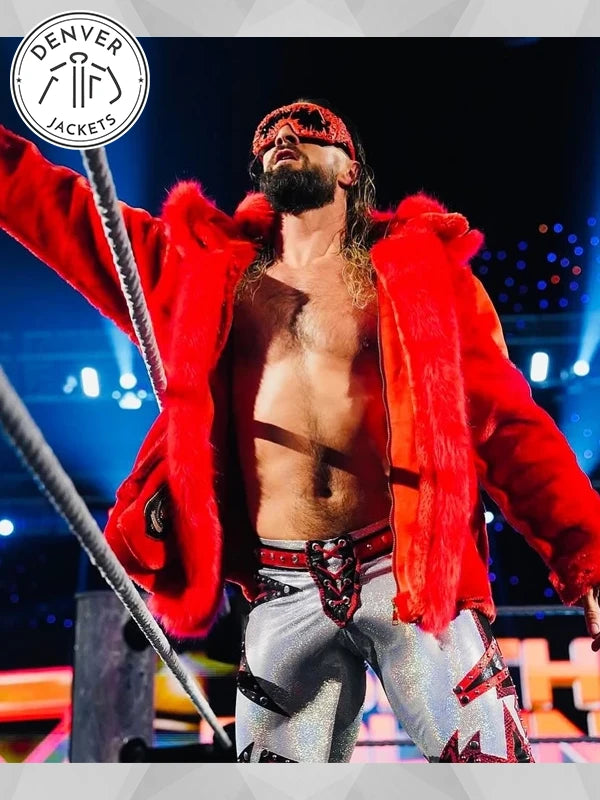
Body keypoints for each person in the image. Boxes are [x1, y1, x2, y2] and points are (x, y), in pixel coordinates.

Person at [2, 98, 600, 764]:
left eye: (308, 132)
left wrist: (586, 556)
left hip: (405, 577)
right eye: (268, 137)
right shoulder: (205, 275)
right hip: (280, 585)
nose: (283, 135)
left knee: (496, 776)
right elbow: (67, 215)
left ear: (349, 170)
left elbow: (508, 427)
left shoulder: (419, 283)